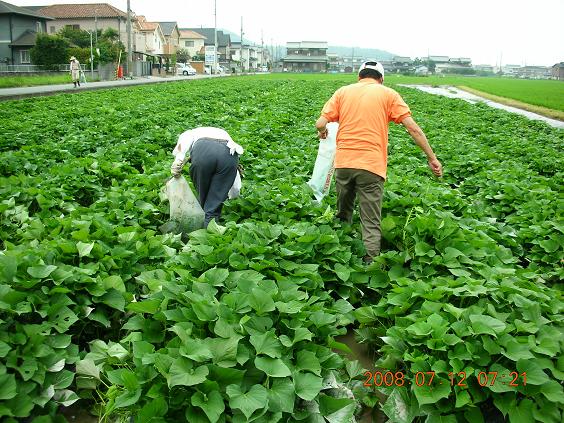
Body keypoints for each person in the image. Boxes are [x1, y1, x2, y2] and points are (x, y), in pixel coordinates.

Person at [315, 61, 442, 263]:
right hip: (371, 166)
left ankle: (338, 256)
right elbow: (413, 129)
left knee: (343, 213)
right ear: (381, 79)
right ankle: (370, 263)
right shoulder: (388, 94)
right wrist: (432, 158)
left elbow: (320, 123)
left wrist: (323, 132)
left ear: (359, 77)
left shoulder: (343, 92)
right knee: (370, 220)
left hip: (344, 164)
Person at [171, 127, 243, 226]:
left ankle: (197, 229)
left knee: (203, 198)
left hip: (203, 152)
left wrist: (178, 161)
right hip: (229, 156)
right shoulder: (225, 135)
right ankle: (210, 229)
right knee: (213, 206)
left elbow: (184, 143)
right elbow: (234, 180)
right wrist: (230, 195)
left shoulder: (192, 132)